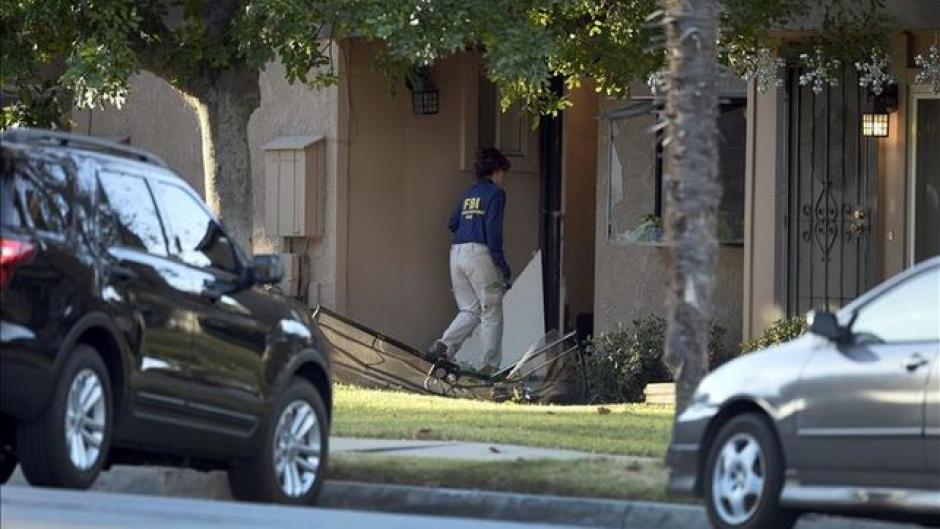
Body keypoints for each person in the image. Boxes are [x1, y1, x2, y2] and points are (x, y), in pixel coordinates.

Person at [427, 148, 511, 373]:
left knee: (470, 309)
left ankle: (444, 345)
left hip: (456, 253)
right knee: (491, 311)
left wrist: (470, 226)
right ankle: (489, 367)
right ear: (496, 170)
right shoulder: (496, 194)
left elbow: (452, 222)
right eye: (503, 172)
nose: (503, 178)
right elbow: (493, 232)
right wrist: (502, 265)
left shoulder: (468, 193)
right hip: (479, 254)